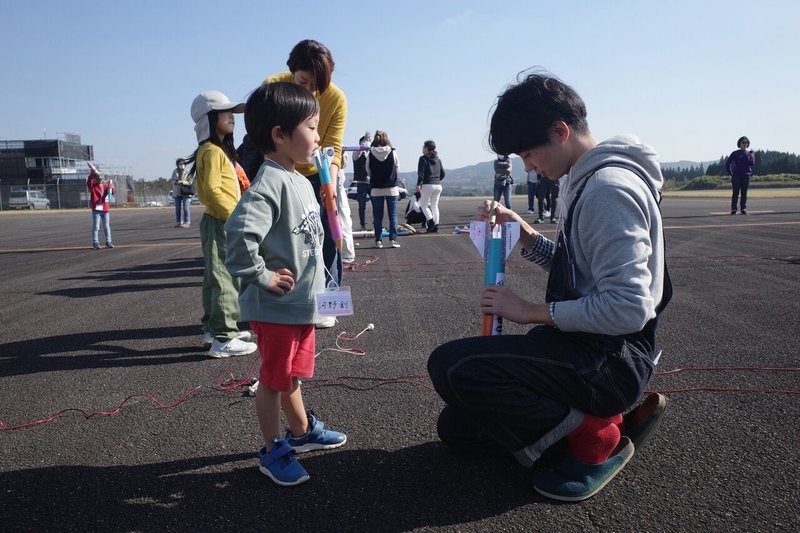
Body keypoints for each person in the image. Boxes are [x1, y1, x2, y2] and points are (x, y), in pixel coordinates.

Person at [427, 72, 673, 502]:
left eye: (528, 152)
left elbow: (628, 308)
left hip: (610, 358)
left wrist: (528, 311)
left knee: (453, 368)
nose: (527, 166)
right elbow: (579, 268)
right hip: (589, 346)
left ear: (561, 131)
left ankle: (596, 439)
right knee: (458, 429)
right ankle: (605, 417)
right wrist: (526, 235)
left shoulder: (607, 189)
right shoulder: (582, 177)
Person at [225, 81, 347, 486]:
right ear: (279, 135)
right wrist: (262, 276)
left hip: (302, 305)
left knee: (292, 375)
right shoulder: (269, 183)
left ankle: (301, 432)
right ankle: (272, 447)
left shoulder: (298, 178)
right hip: (276, 308)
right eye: (311, 127)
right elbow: (239, 238)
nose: (318, 136)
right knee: (274, 380)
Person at [186, 90, 257, 359]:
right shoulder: (213, 152)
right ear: (210, 118)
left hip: (218, 220)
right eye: (226, 112)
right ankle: (224, 338)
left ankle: (214, 330)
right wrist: (235, 216)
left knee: (215, 279)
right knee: (226, 279)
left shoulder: (213, 151)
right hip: (222, 221)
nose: (232, 117)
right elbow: (213, 190)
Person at [366, 130, 400, 249]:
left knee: (378, 216)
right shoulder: (392, 152)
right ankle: (393, 240)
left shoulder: (370, 153)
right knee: (393, 215)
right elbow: (397, 166)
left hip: (376, 188)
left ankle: (378, 240)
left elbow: (368, 170)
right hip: (391, 187)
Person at [417, 139, 445, 233]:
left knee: (424, 205)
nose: (422, 148)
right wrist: (437, 180)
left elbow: (421, 174)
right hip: (438, 185)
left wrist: (418, 184)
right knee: (434, 205)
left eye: (423, 146)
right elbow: (443, 173)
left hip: (427, 184)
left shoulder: (423, 158)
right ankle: (435, 225)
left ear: (426, 148)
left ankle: (431, 222)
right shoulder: (438, 160)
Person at [725, 136, 755, 215]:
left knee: (744, 193)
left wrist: (750, 156)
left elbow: (752, 163)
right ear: (739, 143)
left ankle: (743, 209)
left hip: (746, 175)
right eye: (743, 142)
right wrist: (730, 172)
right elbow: (728, 163)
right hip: (736, 175)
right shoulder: (735, 153)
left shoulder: (750, 153)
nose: (745, 144)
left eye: (746, 142)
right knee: (735, 193)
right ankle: (734, 209)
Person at [87, 167, 114, 249]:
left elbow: (111, 194)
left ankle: (108, 242)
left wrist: (111, 186)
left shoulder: (105, 187)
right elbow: (89, 182)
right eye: (95, 178)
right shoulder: (93, 187)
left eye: (98, 178)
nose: (96, 179)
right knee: (96, 227)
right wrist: (92, 174)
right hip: (96, 210)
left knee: (106, 226)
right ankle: (96, 243)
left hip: (105, 210)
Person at [337, 152, 356, 263]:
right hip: (334, 185)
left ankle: (347, 254)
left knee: (343, 221)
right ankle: (346, 253)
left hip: (337, 186)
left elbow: (343, 165)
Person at [351, 134, 371, 231]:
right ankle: (363, 224)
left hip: (371, 182)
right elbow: (358, 153)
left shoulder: (370, 154)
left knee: (376, 203)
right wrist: (363, 142)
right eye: (366, 142)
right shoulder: (356, 152)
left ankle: (377, 224)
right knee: (362, 205)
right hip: (361, 182)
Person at [171, 158, 193, 228]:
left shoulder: (188, 171)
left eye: (183, 164)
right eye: (180, 164)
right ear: (177, 165)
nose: (182, 165)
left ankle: (187, 222)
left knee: (186, 207)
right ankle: (179, 222)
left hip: (185, 192)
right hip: (177, 192)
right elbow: (172, 180)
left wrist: (182, 182)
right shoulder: (175, 171)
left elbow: (190, 182)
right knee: (177, 208)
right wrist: (175, 182)